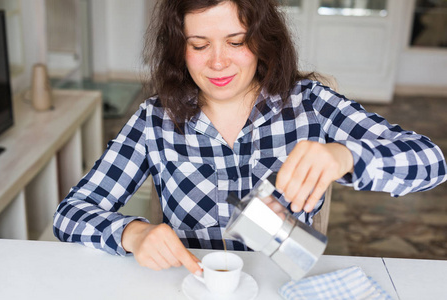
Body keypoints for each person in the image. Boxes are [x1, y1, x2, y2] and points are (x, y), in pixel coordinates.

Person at [53, 0, 447, 276]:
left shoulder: (310, 104)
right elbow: (71, 213)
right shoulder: (155, 119)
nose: (218, 61)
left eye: (236, 42)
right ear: (180, 51)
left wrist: (346, 157)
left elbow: (431, 162)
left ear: (262, 41)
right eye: (199, 45)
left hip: (283, 285)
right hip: (192, 285)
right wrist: (131, 233)